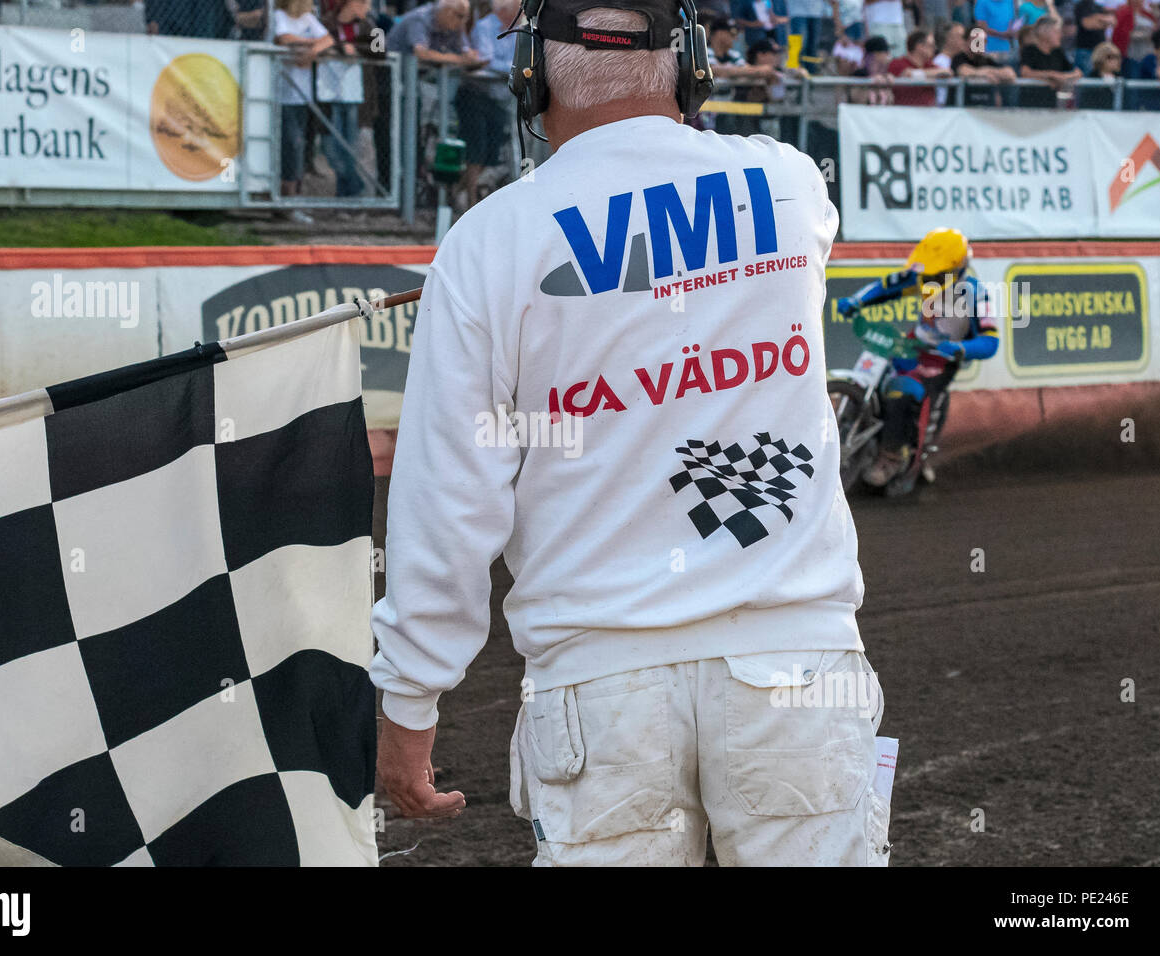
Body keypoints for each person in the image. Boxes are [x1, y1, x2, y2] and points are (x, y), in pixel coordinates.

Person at [372, 0, 886, 868]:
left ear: (529, 74)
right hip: (797, 667)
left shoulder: (486, 242)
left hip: (599, 688)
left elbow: (448, 498)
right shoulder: (793, 186)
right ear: (691, 68)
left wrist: (410, 697)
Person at [835, 228, 999, 488]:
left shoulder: (975, 294)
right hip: (912, 344)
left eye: (934, 274)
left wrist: (960, 349)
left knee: (903, 391)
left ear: (955, 270)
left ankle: (891, 457)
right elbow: (885, 287)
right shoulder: (920, 275)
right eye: (925, 274)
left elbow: (991, 341)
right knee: (874, 373)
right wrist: (856, 301)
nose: (926, 279)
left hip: (940, 359)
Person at [273, 0, 335, 217]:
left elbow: (328, 39)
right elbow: (284, 39)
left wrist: (311, 50)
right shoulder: (280, 16)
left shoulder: (308, 19)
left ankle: (292, 198)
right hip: (282, 95)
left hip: (303, 97)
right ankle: (284, 199)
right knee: (290, 145)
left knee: (300, 146)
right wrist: (310, 42)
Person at [456, 0, 519, 211]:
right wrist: (512, 68)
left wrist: (510, 67)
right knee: (477, 148)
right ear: (503, 11)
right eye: (517, 9)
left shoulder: (520, 29)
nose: (522, 13)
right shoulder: (485, 27)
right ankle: (470, 201)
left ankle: (460, 192)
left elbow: (521, 60)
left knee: (493, 151)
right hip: (475, 95)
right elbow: (486, 60)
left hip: (499, 99)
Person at [318, 0, 373, 198]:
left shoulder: (369, 24)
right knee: (331, 148)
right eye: (365, 4)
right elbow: (319, 44)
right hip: (328, 92)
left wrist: (355, 49)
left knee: (350, 146)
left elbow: (381, 49)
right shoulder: (325, 23)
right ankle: (355, 187)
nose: (368, 9)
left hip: (355, 95)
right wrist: (342, 49)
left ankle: (346, 196)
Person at [947, 19, 1018, 103]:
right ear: (966, 41)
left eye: (984, 40)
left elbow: (1010, 74)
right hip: (962, 109)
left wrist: (988, 73)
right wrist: (985, 75)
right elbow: (963, 71)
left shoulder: (986, 60)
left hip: (985, 109)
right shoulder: (959, 58)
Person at [1019, 14, 1080, 105]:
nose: (1060, 35)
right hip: (1031, 104)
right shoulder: (1030, 50)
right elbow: (1025, 72)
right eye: (1056, 32)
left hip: (1051, 104)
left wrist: (1062, 78)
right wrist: (1050, 76)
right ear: (1044, 33)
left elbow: (1077, 72)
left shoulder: (1058, 52)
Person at [888, 28, 953, 103]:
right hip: (904, 111)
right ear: (919, 46)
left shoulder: (929, 65)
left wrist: (915, 74)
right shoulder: (897, 63)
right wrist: (930, 74)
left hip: (928, 112)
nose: (934, 49)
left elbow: (948, 72)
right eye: (931, 45)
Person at [1073, 0, 1115, 71]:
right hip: (1086, 50)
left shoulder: (1098, 7)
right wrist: (1102, 20)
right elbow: (1087, 24)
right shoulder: (1081, 6)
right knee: (1086, 77)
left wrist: (1097, 18)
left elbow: (1112, 21)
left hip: (1100, 51)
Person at [1078, 38, 1123, 105]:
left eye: (1117, 57)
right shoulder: (1091, 79)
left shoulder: (1120, 78)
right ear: (1101, 58)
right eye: (1110, 57)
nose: (1116, 61)